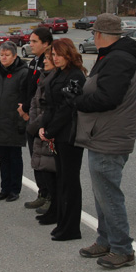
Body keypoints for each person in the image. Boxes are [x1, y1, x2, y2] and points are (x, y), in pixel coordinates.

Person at [75, 14, 136, 269]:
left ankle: (122, 248)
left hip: (110, 136)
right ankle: (106, 240)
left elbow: (108, 98)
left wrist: (77, 100)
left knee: (108, 194)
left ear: (98, 35)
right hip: (105, 134)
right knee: (102, 193)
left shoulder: (118, 59)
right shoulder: (115, 56)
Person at [38, 38, 87, 242]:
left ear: (68, 54)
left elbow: (67, 108)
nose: (55, 58)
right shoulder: (59, 73)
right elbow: (50, 104)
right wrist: (44, 126)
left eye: (58, 55)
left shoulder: (75, 76)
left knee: (70, 182)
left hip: (70, 135)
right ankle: (62, 222)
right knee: (62, 180)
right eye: (53, 55)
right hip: (58, 133)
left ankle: (71, 228)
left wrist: (50, 130)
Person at [0, 41, 29, 202]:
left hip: (14, 122)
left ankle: (14, 189)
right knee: (3, 158)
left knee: (14, 157)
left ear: (14, 56)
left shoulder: (23, 73)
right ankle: (4, 188)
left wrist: (22, 120)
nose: (3, 58)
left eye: (7, 55)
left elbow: (25, 98)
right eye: (2, 55)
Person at [20, 27, 54, 210]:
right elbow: (27, 87)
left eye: (34, 41)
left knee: (45, 160)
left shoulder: (49, 63)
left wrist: (27, 111)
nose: (30, 44)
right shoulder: (34, 62)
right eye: (30, 41)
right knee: (35, 157)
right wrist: (23, 108)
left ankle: (50, 196)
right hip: (30, 115)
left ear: (46, 43)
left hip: (40, 117)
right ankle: (42, 192)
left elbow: (40, 93)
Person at [27, 53, 58, 217]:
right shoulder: (43, 76)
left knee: (49, 165)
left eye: (48, 58)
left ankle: (52, 199)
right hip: (37, 125)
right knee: (39, 162)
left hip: (46, 127)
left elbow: (50, 108)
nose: (44, 61)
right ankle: (43, 194)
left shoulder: (56, 78)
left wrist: (37, 124)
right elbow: (34, 101)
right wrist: (32, 122)